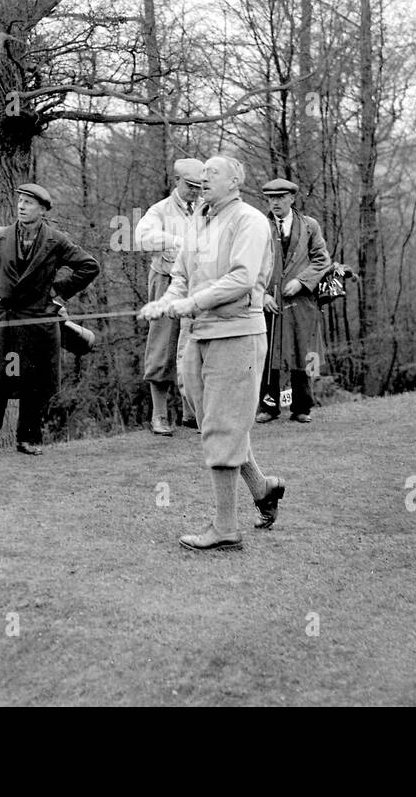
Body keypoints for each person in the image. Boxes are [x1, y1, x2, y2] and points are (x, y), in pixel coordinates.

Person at [140, 156, 288, 552]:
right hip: (200, 336)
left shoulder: (251, 221)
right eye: (201, 175)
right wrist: (167, 302)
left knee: (223, 427)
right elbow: (181, 277)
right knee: (214, 423)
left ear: (236, 181)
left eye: (213, 174)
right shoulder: (198, 220)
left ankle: (225, 528)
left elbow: (241, 279)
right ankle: (262, 486)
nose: (203, 179)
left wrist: (193, 303)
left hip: (237, 335)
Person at [0, 183, 100, 461]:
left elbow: (89, 266)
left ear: (43, 210)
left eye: (29, 203)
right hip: (4, 322)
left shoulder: (56, 241)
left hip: (38, 324)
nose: (21, 206)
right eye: (20, 201)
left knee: (34, 385)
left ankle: (28, 439)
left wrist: (57, 292)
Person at [134, 158, 204, 435]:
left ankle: (191, 412)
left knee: (193, 346)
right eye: (189, 186)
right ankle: (160, 415)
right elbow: (142, 238)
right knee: (163, 344)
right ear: (177, 182)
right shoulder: (160, 210)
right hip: (166, 280)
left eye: (199, 187)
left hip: (197, 283)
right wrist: (176, 242)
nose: (194, 192)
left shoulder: (204, 208)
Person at [257, 179, 331, 425]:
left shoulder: (309, 226)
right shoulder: (259, 227)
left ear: (292, 198)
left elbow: (322, 260)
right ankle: (269, 407)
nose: (275, 202)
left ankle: (302, 407)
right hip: (271, 301)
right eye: (271, 198)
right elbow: (248, 264)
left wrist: (301, 282)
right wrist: (262, 294)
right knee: (268, 353)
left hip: (302, 301)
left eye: (280, 197)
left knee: (304, 352)